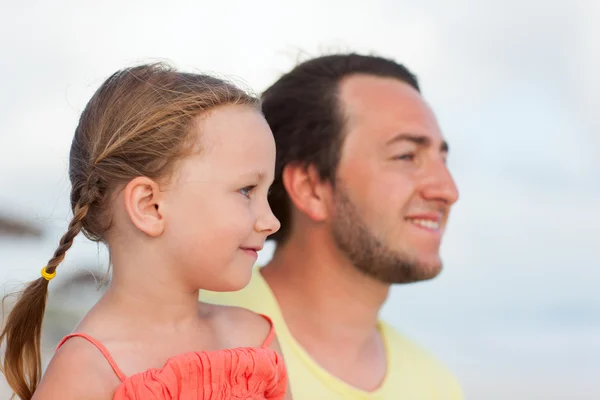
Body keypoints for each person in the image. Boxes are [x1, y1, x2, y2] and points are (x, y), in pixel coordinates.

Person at [0, 63, 291, 400]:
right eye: (246, 191)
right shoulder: (85, 375)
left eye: (266, 193)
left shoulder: (256, 340)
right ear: (149, 206)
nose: (271, 221)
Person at [202, 53, 464, 399]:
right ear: (312, 188)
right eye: (406, 156)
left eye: (442, 159)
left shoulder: (435, 386)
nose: (448, 190)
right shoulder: (188, 337)